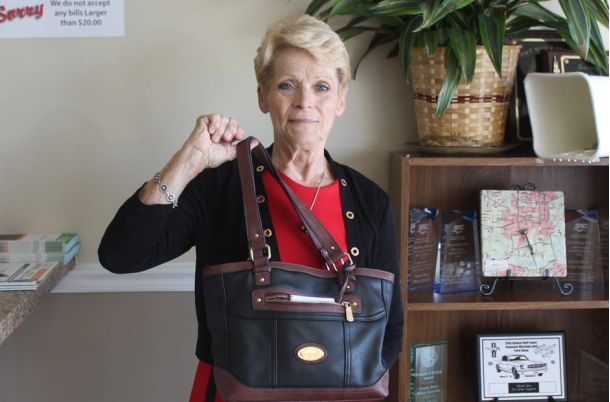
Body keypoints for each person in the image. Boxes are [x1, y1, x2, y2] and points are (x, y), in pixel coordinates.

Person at [98, 14, 403, 402]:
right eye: (287, 85)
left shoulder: (370, 201)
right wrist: (189, 160)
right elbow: (121, 255)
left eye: (322, 87)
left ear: (341, 100)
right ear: (263, 96)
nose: (305, 101)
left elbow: (390, 328)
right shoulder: (221, 188)